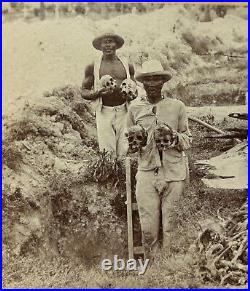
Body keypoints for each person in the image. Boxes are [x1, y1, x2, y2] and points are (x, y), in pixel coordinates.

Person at [127, 60, 191, 259]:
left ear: (163, 82)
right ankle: (153, 267)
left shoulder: (177, 106)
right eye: (148, 80)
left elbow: (187, 140)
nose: (152, 83)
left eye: (157, 79)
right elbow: (126, 144)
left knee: (171, 225)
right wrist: (136, 143)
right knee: (148, 227)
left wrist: (173, 137)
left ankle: (170, 269)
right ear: (143, 84)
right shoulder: (134, 109)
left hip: (173, 172)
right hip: (147, 172)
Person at [81, 32, 135, 157]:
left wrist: (130, 95)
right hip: (104, 112)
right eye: (104, 42)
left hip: (124, 111)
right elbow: (84, 90)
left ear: (116, 44)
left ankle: (122, 176)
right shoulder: (93, 66)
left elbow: (134, 88)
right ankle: (110, 175)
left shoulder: (127, 65)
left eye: (110, 41)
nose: (107, 45)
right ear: (100, 46)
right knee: (107, 152)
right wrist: (98, 93)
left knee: (124, 149)